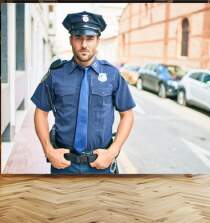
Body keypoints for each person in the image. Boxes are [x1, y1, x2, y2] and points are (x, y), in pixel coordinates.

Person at [31, 11, 135, 174]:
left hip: (101, 164)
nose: (84, 44)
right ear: (71, 39)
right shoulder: (56, 74)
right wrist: (49, 151)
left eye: (90, 38)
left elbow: (127, 114)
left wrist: (112, 152)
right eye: (78, 37)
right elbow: (40, 112)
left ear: (97, 40)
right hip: (63, 165)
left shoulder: (112, 75)